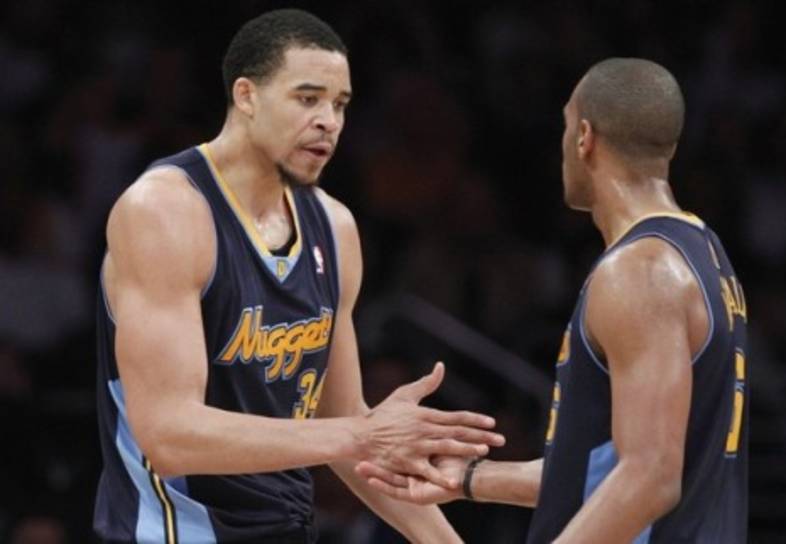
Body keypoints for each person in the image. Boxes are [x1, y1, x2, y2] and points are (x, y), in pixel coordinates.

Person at [93, 9, 505, 543]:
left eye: (340, 104)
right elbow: (168, 435)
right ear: (247, 96)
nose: (329, 121)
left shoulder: (335, 227)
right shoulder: (165, 211)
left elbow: (346, 426)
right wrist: (361, 434)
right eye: (308, 99)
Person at [357, 57, 750, 543]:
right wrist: (469, 478)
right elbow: (599, 475)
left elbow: (649, 477)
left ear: (584, 137)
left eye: (566, 126)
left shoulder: (640, 271)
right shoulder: (703, 252)